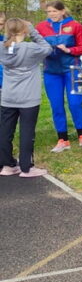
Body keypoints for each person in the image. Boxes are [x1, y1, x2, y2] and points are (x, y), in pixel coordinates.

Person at [35, 1, 82, 151]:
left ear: (62, 11)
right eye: (49, 12)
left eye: (54, 11)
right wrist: (46, 51)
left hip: (72, 70)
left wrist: (68, 50)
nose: (51, 14)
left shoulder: (76, 26)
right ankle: (63, 140)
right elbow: (36, 47)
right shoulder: (40, 27)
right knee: (56, 105)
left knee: (75, 103)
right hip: (51, 72)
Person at [0, 19, 52, 178]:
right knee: (27, 132)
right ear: (24, 30)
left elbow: (8, 44)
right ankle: (26, 167)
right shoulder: (31, 48)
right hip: (28, 98)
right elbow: (48, 48)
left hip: (8, 96)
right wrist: (33, 31)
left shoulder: (1, 47)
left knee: (5, 131)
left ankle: (7, 165)